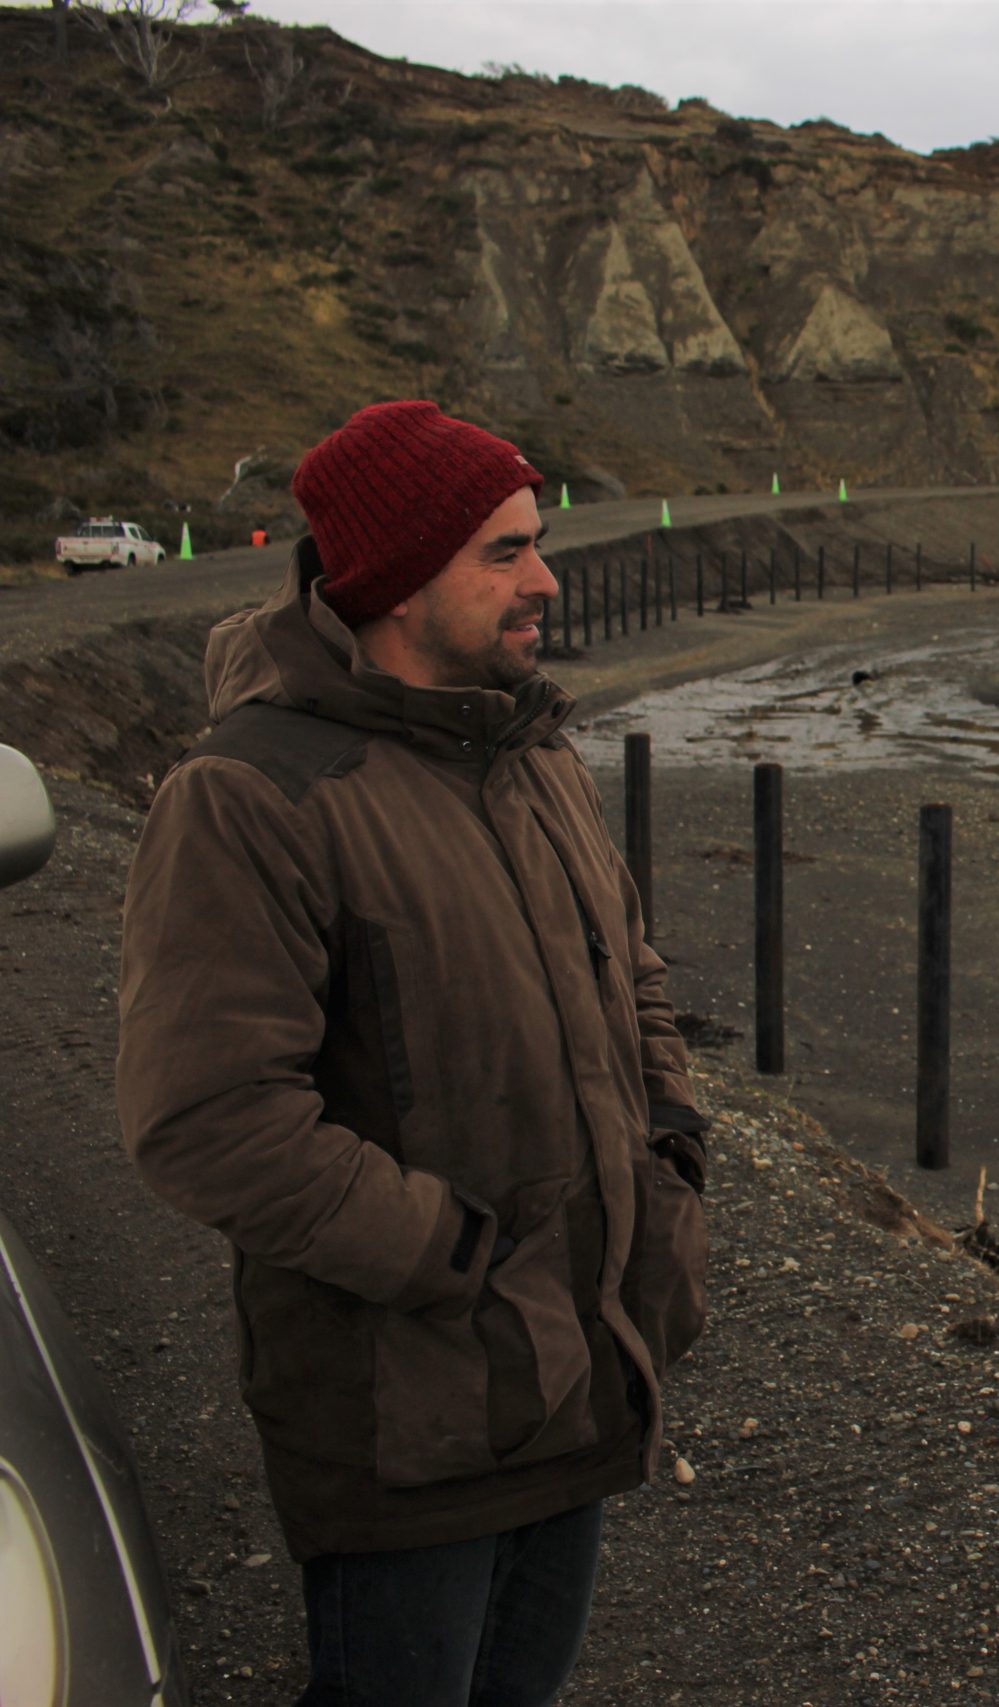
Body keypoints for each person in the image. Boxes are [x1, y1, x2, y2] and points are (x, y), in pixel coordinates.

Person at [117, 400, 710, 1707]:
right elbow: (207, 1119)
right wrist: (458, 1255)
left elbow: (633, 959)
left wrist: (671, 1143)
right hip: (409, 1417)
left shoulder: (528, 745)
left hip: (580, 1372)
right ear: (392, 578)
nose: (544, 579)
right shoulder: (247, 796)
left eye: (535, 544)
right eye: (503, 552)